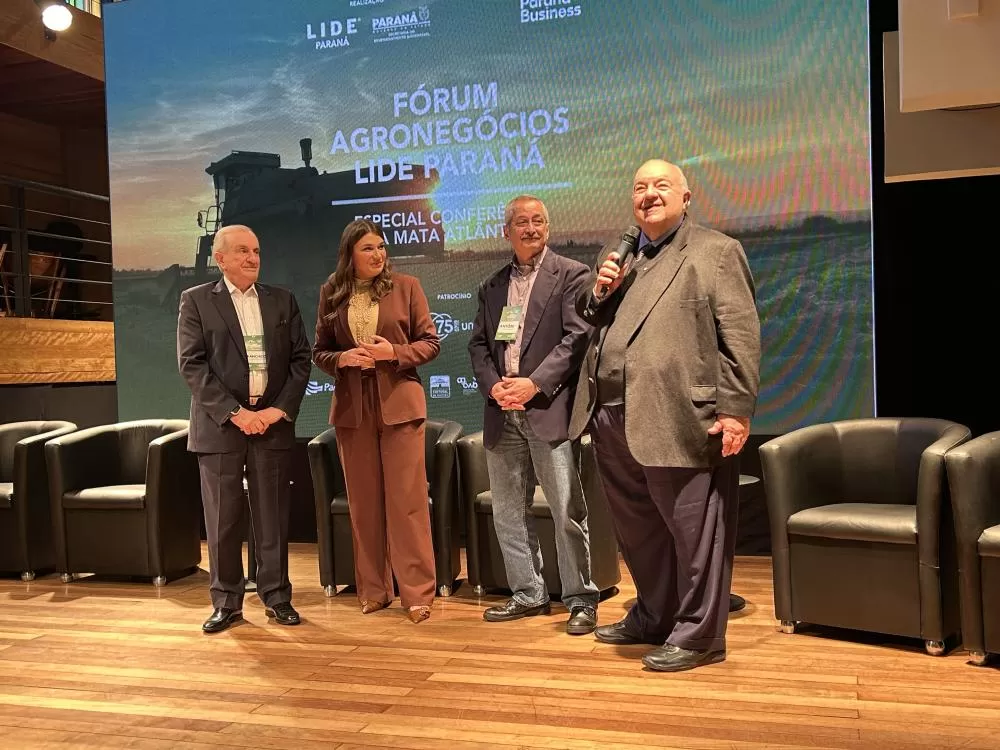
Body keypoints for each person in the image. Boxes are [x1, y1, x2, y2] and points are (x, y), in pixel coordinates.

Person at [570, 159, 761, 671]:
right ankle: (654, 615)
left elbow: (740, 337)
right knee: (639, 530)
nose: (648, 195)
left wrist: (736, 410)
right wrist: (600, 291)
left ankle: (699, 637)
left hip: (678, 414)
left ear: (686, 196)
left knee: (693, 533)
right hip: (610, 414)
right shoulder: (621, 256)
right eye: (639, 187)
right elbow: (595, 323)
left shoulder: (716, 252)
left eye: (660, 186)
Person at [468, 195, 600, 635]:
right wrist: (495, 387)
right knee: (508, 511)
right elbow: (479, 346)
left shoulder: (572, 275)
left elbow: (576, 338)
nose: (530, 228)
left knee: (566, 509)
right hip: (501, 412)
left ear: (547, 227)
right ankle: (528, 592)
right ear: (506, 232)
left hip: (547, 409)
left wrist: (534, 384)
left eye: (538, 221)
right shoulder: (490, 286)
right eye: (521, 222)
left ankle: (581, 599)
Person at [177, 224, 311, 633]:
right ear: (220, 258)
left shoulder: (281, 300)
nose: (252, 258)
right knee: (223, 519)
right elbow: (192, 365)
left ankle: (276, 596)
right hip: (221, 427)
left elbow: (301, 360)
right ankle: (226, 602)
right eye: (242, 251)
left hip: (270, 425)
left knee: (271, 515)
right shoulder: (197, 301)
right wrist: (236, 413)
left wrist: (276, 411)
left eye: (256, 250)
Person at [313, 219, 441, 624]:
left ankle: (418, 594)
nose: (378, 255)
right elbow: (320, 351)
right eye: (368, 248)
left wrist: (393, 353)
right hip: (354, 409)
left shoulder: (406, 286)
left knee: (407, 504)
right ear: (350, 253)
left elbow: (431, 343)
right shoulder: (331, 293)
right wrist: (341, 359)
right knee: (364, 505)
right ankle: (373, 589)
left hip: (400, 405)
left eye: (381, 247)